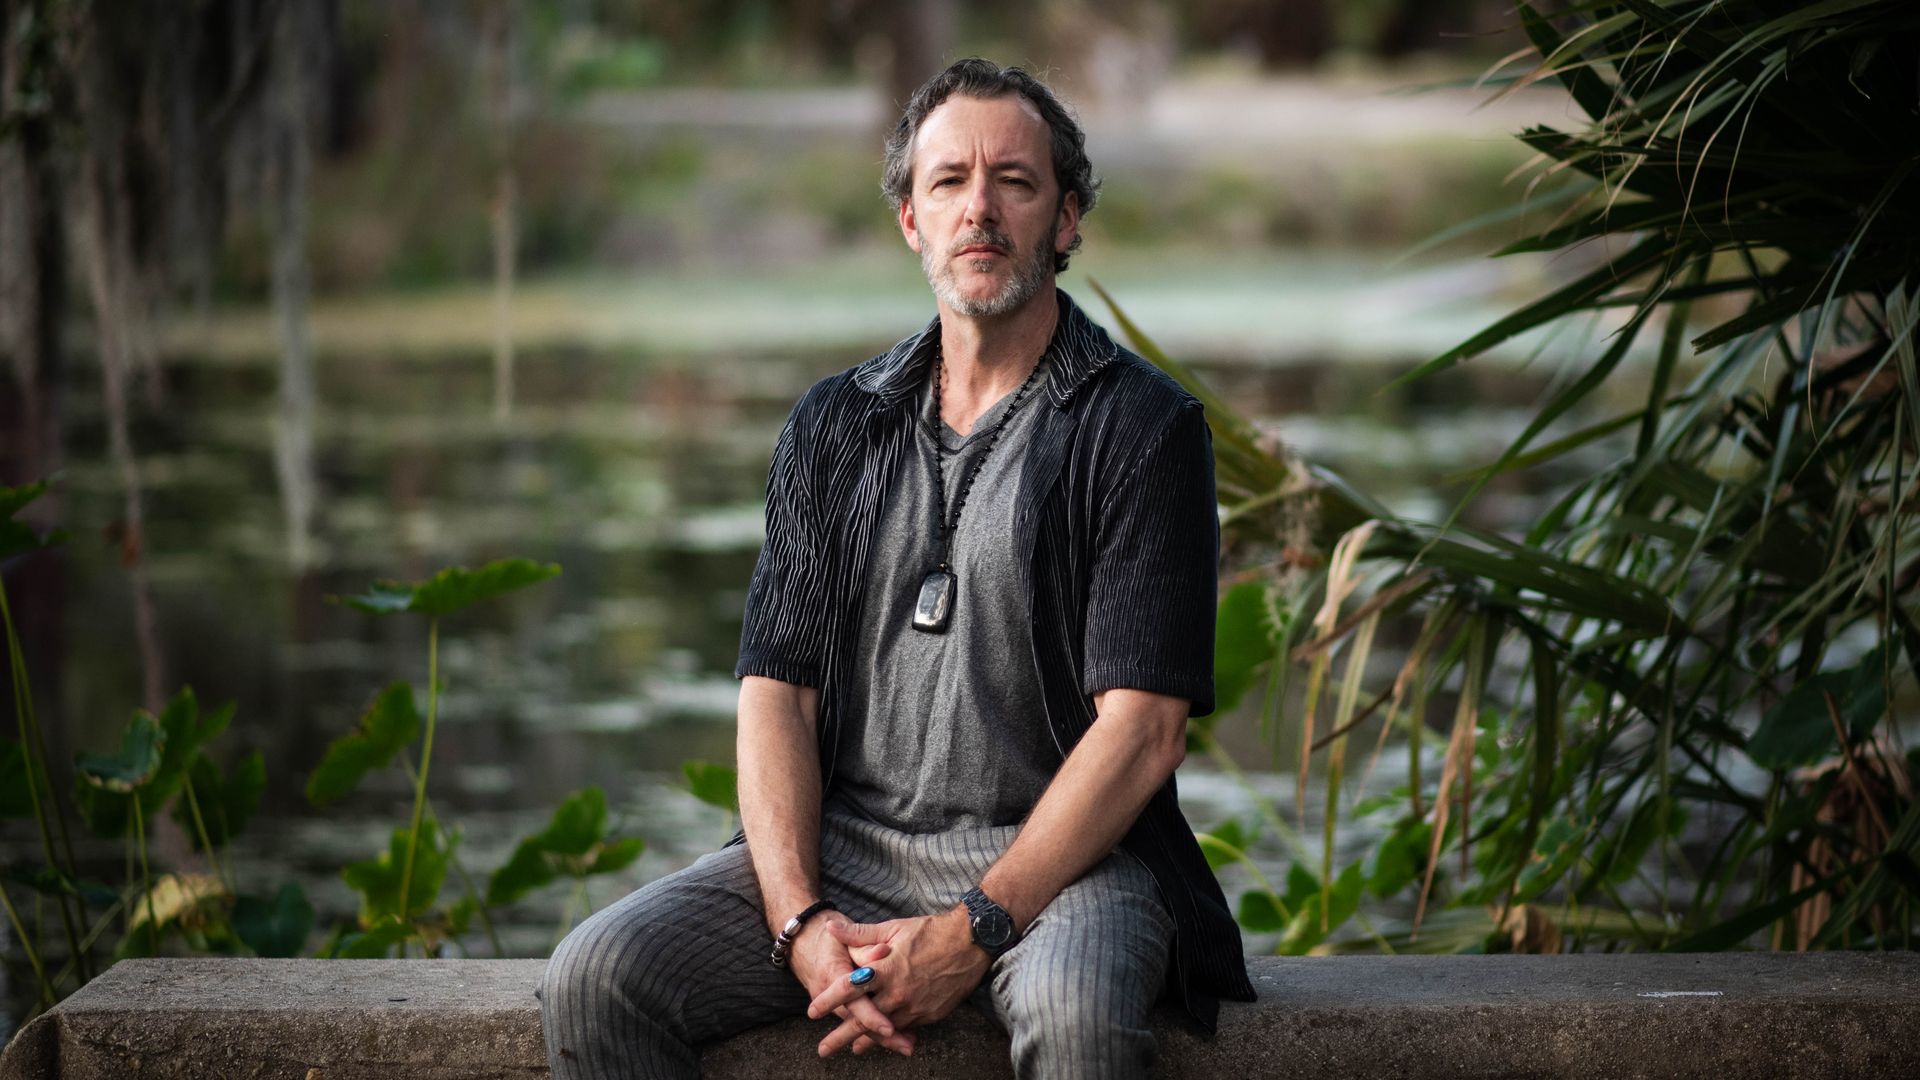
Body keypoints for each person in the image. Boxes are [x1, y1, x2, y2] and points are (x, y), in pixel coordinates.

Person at [539, 57, 1254, 1079]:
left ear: (1066, 218)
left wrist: (971, 929)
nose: (981, 209)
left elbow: (1143, 733)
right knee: (595, 978)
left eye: (1015, 181)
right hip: (850, 852)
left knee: (1078, 1020)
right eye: (949, 181)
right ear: (911, 219)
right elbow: (775, 697)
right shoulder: (834, 425)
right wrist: (799, 920)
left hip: (1070, 869)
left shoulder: (1142, 428)